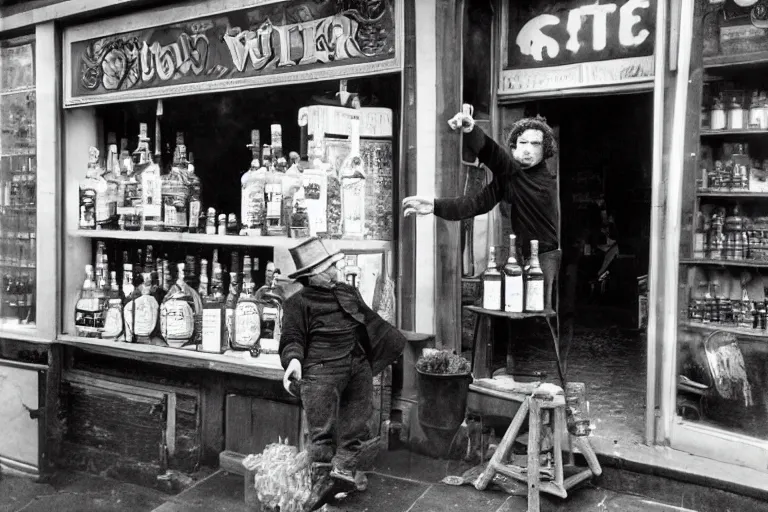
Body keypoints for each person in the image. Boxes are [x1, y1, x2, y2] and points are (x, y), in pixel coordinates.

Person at [279, 237, 406, 510]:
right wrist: (293, 361)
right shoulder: (297, 302)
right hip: (321, 370)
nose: (336, 272)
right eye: (330, 268)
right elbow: (292, 338)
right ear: (313, 275)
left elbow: (370, 322)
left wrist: (387, 345)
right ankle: (322, 487)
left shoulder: (347, 291)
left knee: (355, 427)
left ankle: (342, 476)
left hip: (357, 364)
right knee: (321, 433)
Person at [402, 111, 561, 309]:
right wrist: (435, 206)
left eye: (535, 144)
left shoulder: (533, 178)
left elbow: (497, 158)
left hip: (545, 260)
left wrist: (471, 131)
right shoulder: (511, 179)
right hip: (525, 257)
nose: (528, 149)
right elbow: (475, 204)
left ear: (544, 150)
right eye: (522, 143)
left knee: (539, 320)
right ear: (513, 147)